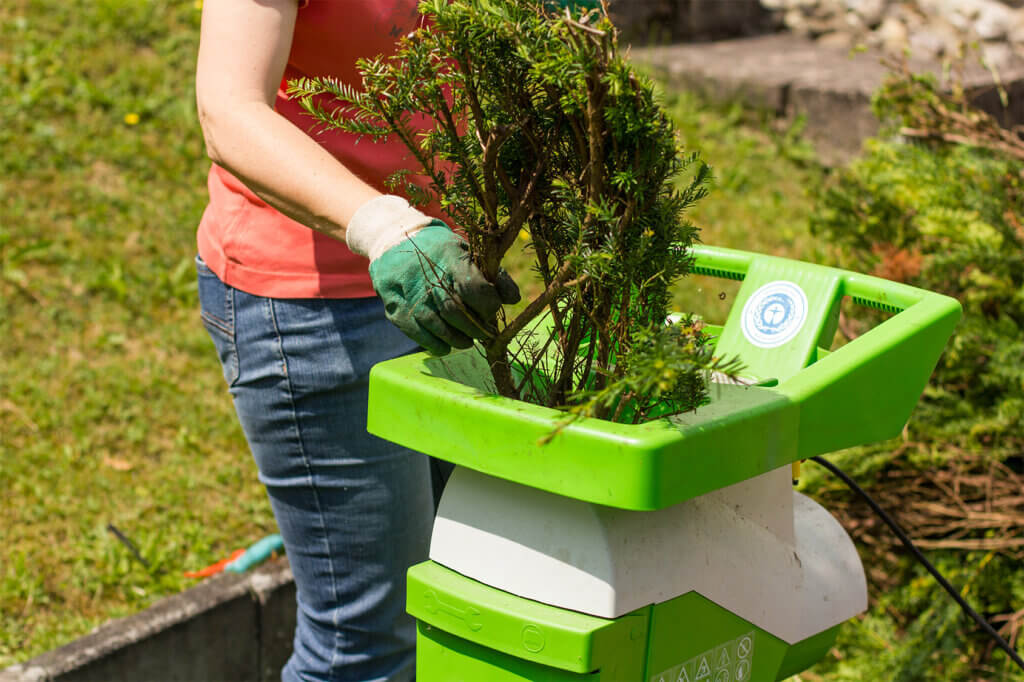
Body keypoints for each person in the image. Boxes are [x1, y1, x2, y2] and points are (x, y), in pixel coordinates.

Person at [192, 1, 518, 680]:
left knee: (465, 596)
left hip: (451, 281)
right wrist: (382, 226)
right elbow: (228, 110)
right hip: (315, 310)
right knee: (365, 647)